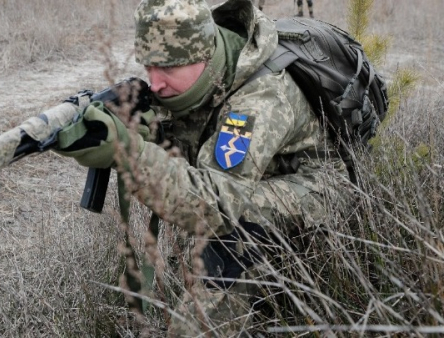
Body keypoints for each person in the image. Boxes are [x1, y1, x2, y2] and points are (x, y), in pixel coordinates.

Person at [54, 0, 352, 335]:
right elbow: (192, 131)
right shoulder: (206, 71)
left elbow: (218, 204)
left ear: (205, 57)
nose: (155, 84)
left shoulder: (258, 101)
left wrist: (130, 153)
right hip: (263, 170)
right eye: (148, 67)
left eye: (167, 69)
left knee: (228, 235)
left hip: (319, 188)